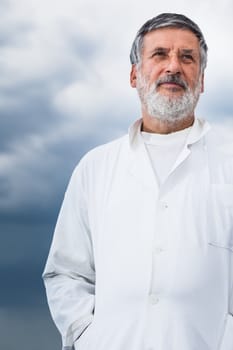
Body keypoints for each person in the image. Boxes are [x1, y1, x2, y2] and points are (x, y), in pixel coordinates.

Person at [43, 13, 233, 350]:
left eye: (187, 57)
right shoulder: (95, 168)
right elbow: (66, 273)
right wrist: (87, 336)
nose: (173, 66)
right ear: (135, 75)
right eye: (159, 54)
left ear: (201, 80)